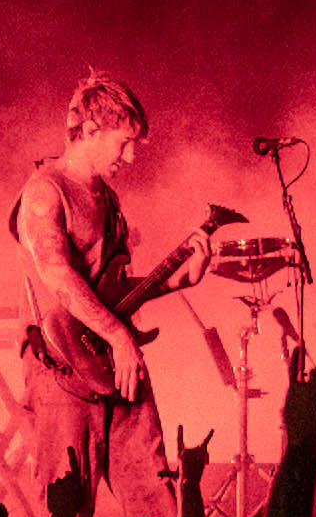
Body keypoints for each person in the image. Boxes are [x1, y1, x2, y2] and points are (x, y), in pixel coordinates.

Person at [11, 71, 200, 486]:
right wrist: (118, 336)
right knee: (68, 503)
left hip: (115, 360)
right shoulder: (46, 190)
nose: (130, 158)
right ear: (91, 130)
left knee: (154, 486)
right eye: (124, 143)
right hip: (62, 368)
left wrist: (174, 282)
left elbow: (107, 293)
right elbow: (57, 275)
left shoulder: (107, 198)